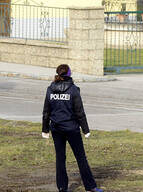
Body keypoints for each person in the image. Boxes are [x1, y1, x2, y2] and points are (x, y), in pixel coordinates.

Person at [42, 64, 103, 192]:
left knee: (60, 158)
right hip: (71, 129)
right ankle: (90, 186)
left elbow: (46, 111)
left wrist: (45, 129)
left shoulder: (50, 89)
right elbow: (79, 112)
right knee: (81, 158)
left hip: (56, 129)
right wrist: (86, 130)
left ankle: (62, 187)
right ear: (69, 74)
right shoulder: (74, 90)